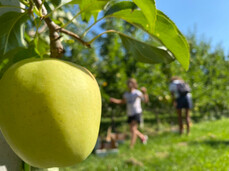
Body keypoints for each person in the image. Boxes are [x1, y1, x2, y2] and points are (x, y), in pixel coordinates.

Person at [110, 78, 149, 149]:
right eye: (128, 83)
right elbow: (122, 101)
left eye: (131, 83)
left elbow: (145, 100)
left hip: (136, 112)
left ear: (134, 84)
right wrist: (114, 100)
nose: (129, 84)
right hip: (130, 113)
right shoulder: (126, 94)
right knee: (132, 130)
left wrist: (145, 93)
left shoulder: (137, 93)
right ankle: (143, 137)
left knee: (133, 130)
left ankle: (131, 146)